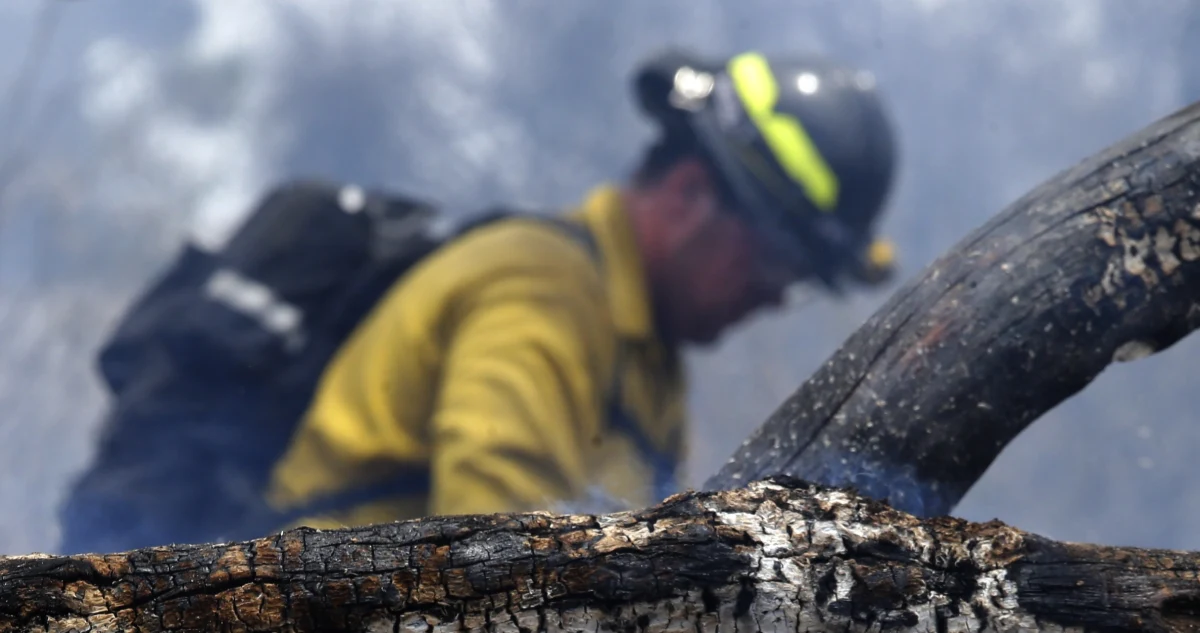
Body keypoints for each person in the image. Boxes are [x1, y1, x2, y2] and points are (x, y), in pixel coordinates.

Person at [261, 47, 901, 530]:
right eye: (772, 264)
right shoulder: (542, 293)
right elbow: (498, 566)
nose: (771, 298)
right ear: (688, 195)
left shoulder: (648, 359)